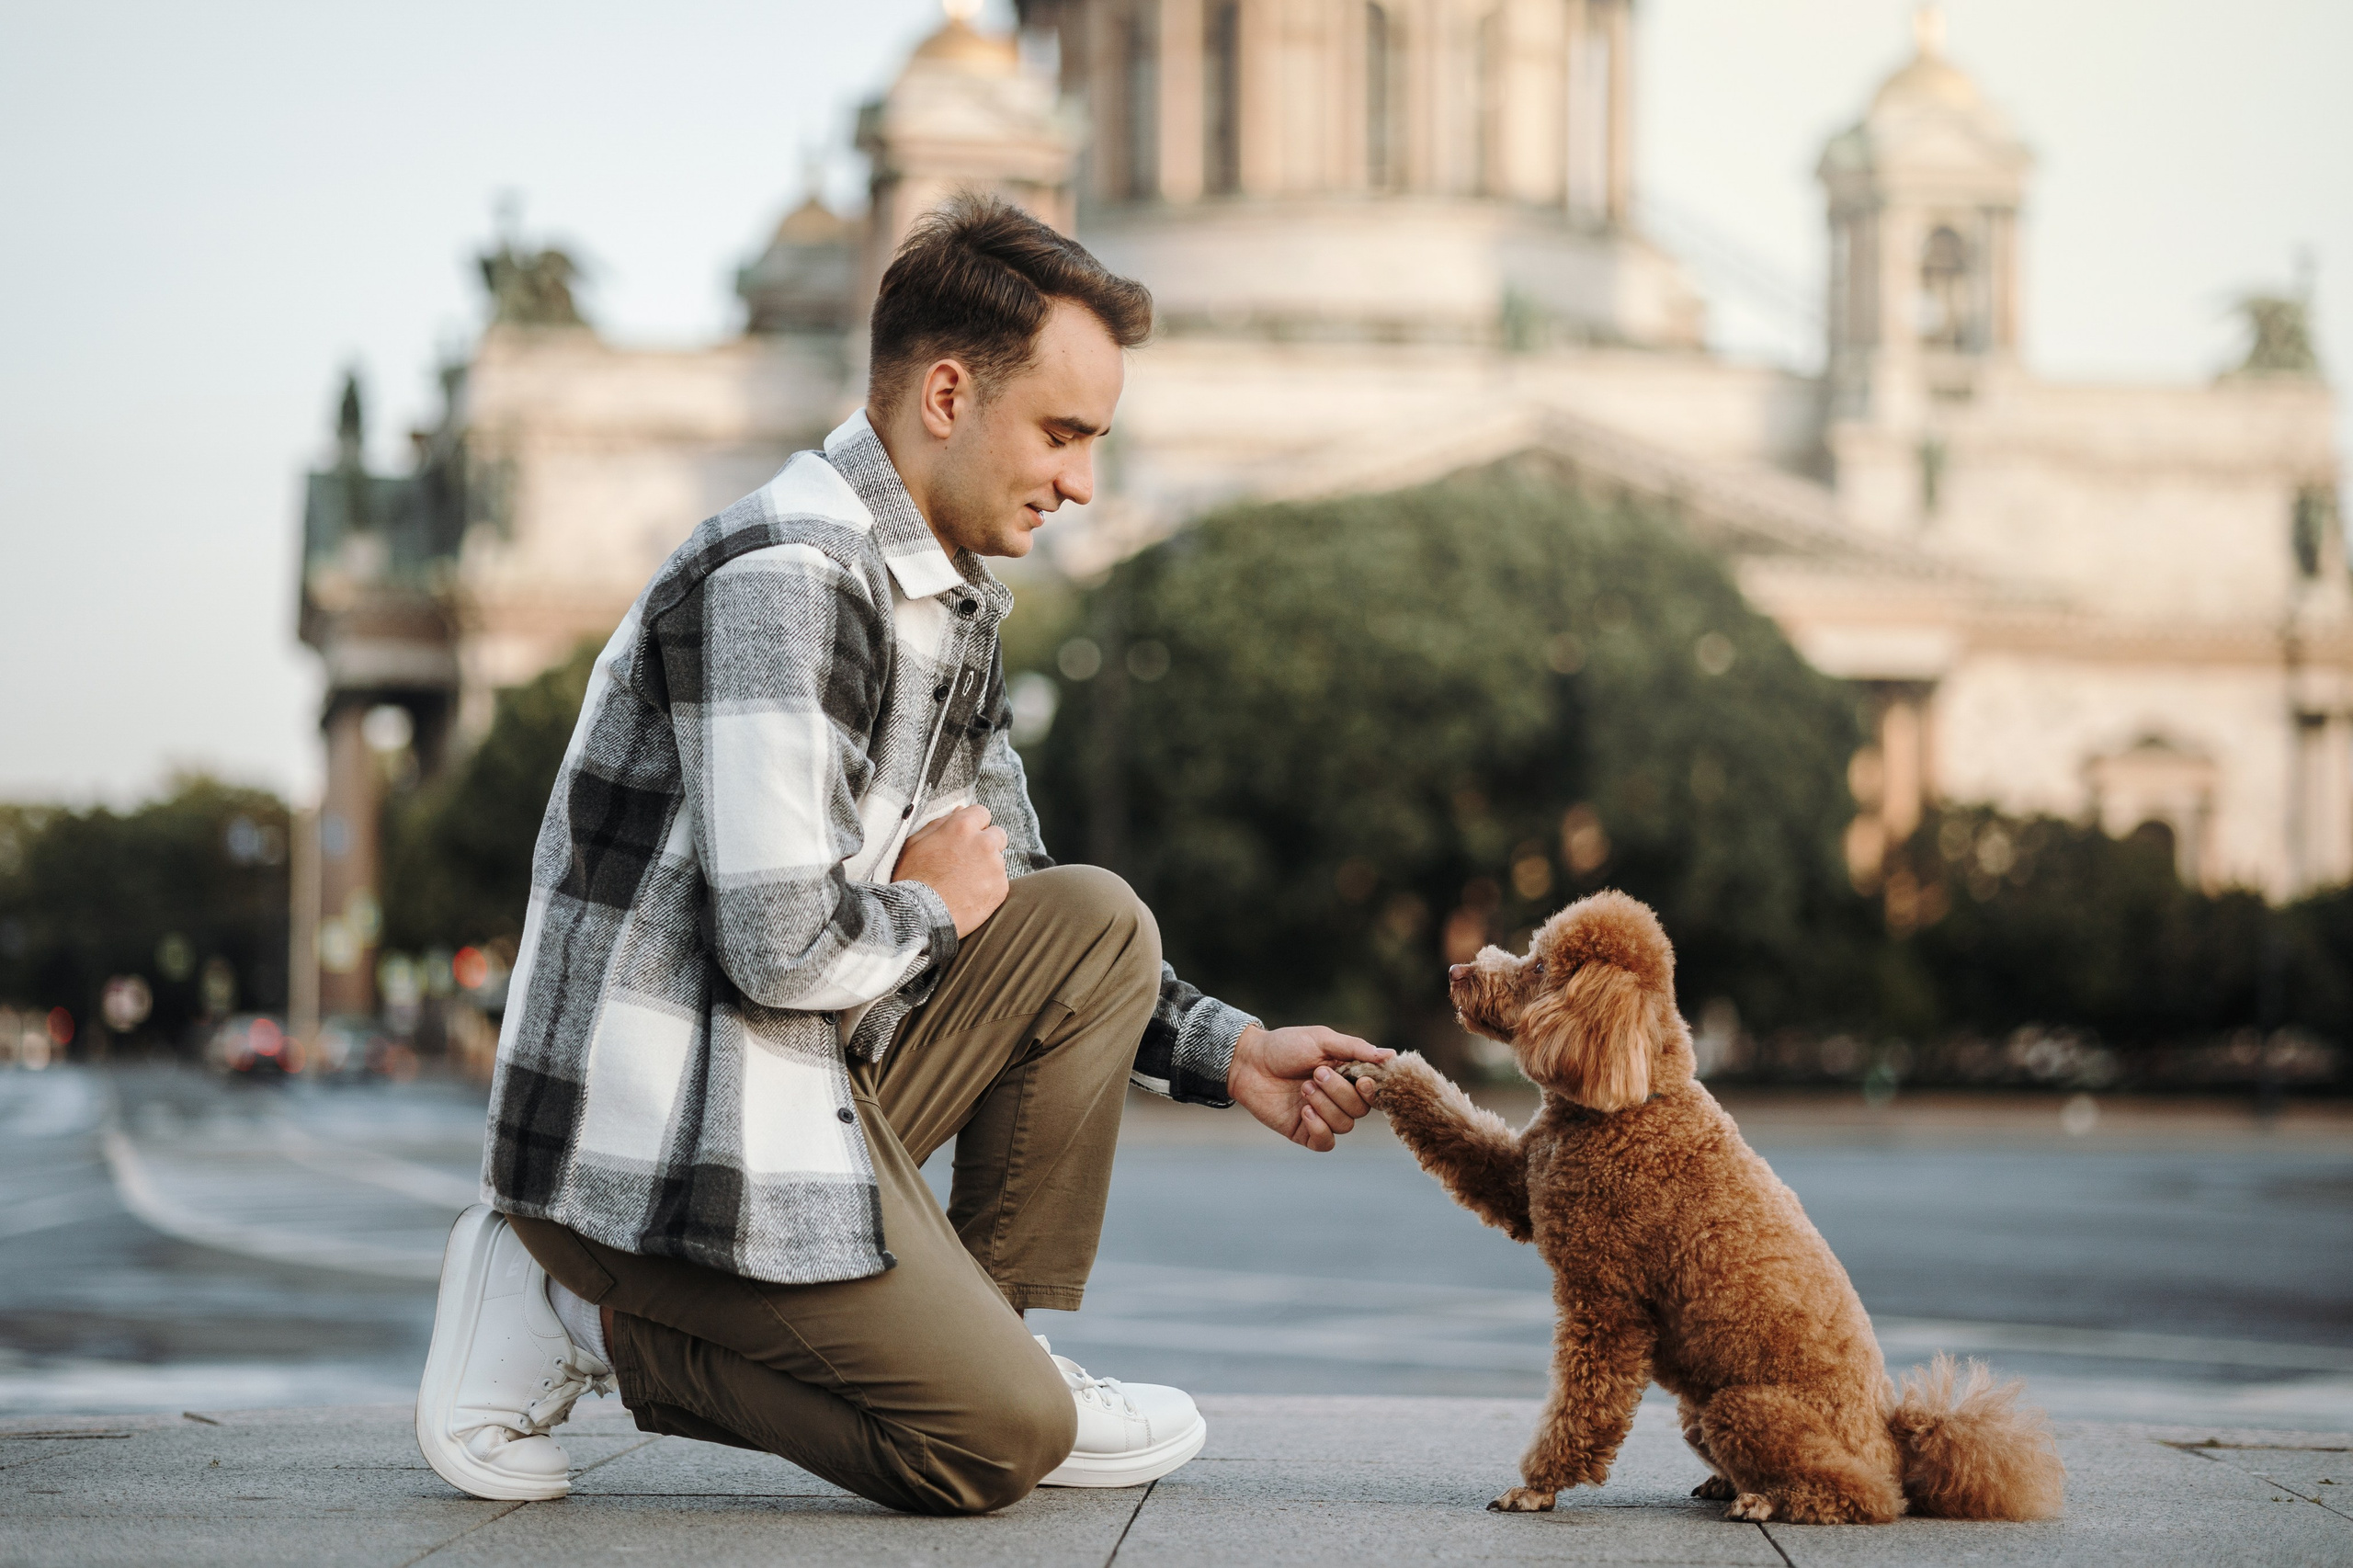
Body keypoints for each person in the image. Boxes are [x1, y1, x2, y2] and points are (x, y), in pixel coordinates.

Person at [414, 191, 1392, 1514]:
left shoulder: (943, 596)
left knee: (1098, 920)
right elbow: (778, 948)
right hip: (647, 1163)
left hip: (791, 1087)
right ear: (946, 395)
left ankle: (988, 1339)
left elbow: (1030, 902)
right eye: (1063, 433)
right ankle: (574, 1313)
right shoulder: (786, 579)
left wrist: (1228, 1050)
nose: (1083, 481)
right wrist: (931, 908)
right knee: (991, 1443)